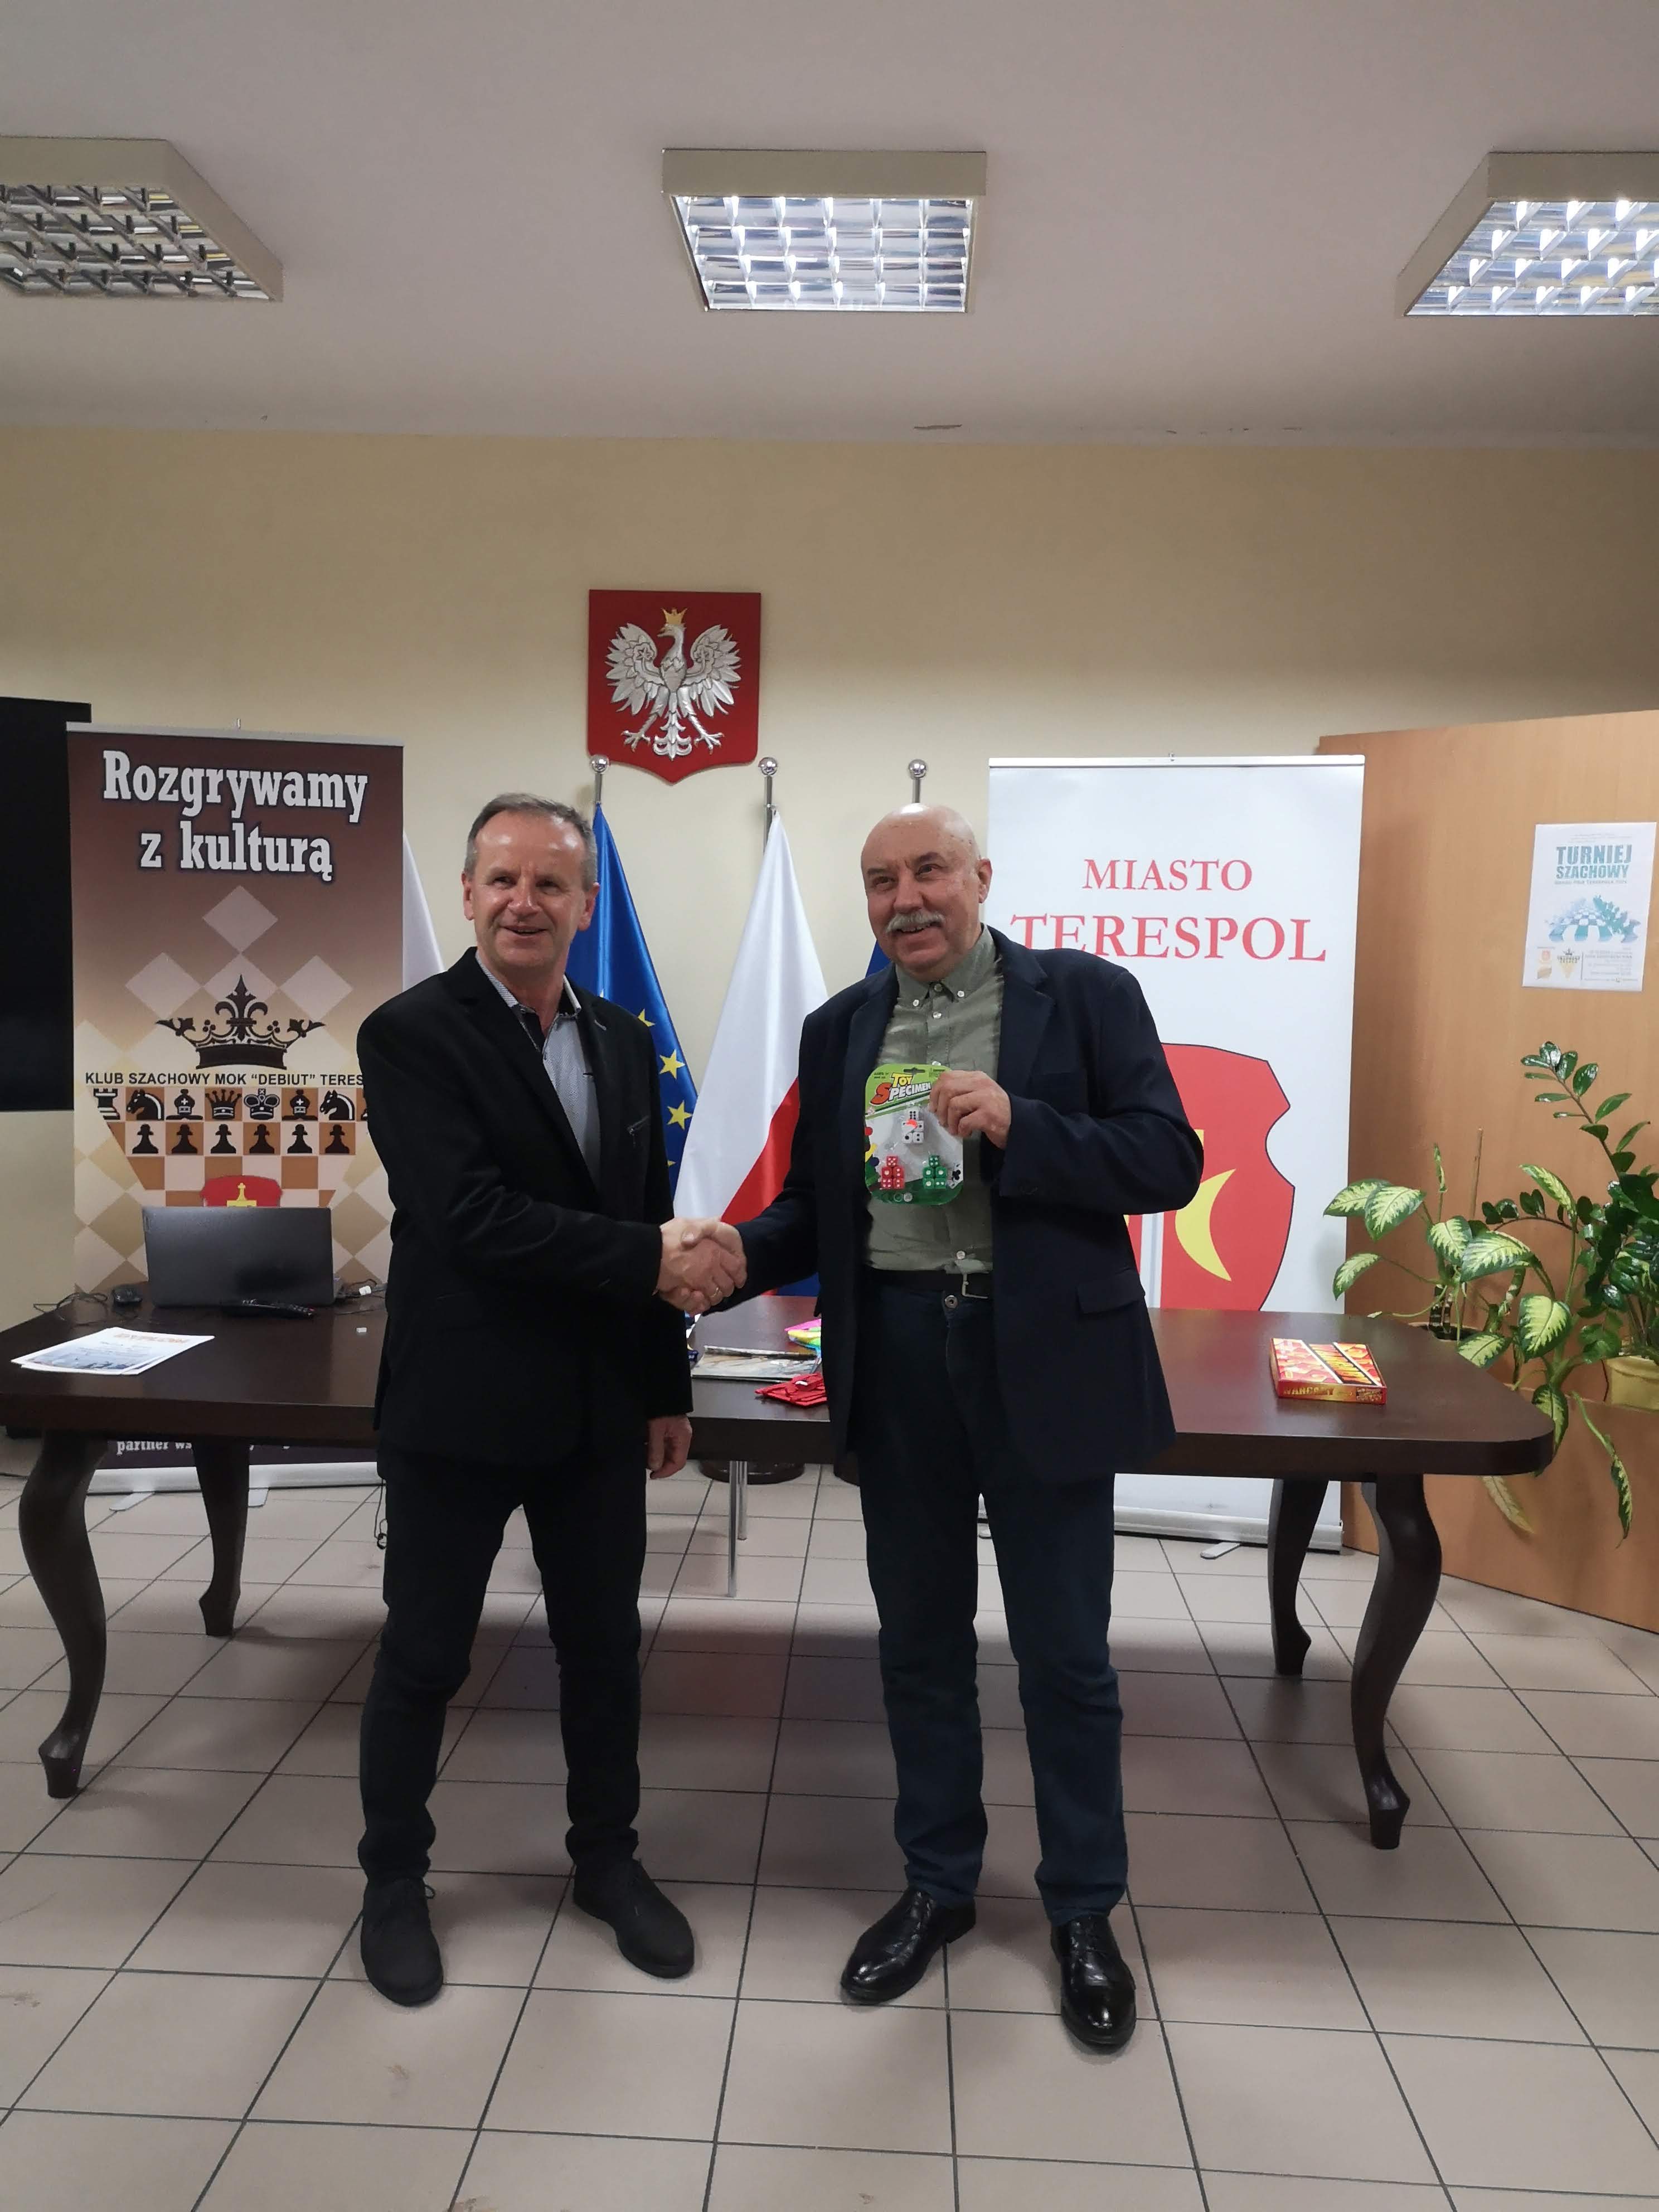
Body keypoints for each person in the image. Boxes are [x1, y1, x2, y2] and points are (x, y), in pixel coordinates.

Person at [724, 803, 1201, 2049]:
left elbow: (1169, 1159)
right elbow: (810, 1206)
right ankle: (938, 1886)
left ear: (980, 876)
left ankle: (1083, 1909)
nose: (906, 899)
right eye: (881, 880)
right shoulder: (841, 1027)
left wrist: (1021, 1124)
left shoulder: (1082, 996)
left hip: (1041, 1353)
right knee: (920, 1645)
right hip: (897, 1356)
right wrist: (729, 1256)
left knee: (1065, 1656)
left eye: (929, 870)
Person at [354, 792, 745, 2006]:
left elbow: (645, 1211)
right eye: (503, 880)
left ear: (586, 904)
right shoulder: (409, 1034)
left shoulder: (623, 1038)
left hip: (595, 1411)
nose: (524, 902)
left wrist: (666, 1381)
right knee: (424, 1655)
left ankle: (606, 1862)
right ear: (470, 893)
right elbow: (468, 1217)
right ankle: (392, 1881)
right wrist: (648, 1259)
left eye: (550, 884)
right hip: (458, 1408)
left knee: (603, 1652)